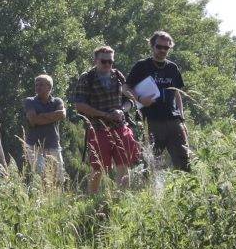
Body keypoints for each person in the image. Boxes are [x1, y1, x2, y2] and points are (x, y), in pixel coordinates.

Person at [71, 45, 142, 193]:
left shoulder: (118, 76)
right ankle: (92, 199)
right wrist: (104, 115)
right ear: (96, 61)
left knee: (124, 166)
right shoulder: (87, 78)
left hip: (120, 127)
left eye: (110, 62)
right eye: (104, 62)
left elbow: (130, 101)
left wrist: (122, 110)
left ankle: (121, 200)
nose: (108, 65)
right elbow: (79, 106)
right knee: (97, 170)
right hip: (98, 130)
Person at [127, 32, 191, 171]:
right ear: (152, 46)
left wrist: (182, 118)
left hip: (173, 121)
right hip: (151, 121)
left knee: (184, 161)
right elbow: (125, 88)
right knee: (150, 165)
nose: (162, 50)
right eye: (159, 46)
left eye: (166, 48)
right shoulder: (142, 66)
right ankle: (152, 191)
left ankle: (185, 191)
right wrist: (139, 99)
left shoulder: (172, 67)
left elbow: (177, 92)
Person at [22, 75, 67, 184]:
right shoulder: (30, 101)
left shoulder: (57, 101)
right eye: (36, 84)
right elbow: (33, 120)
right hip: (34, 146)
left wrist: (40, 116)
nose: (38, 87)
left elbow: (62, 115)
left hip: (53, 144)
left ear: (49, 87)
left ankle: (55, 199)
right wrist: (52, 116)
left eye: (41, 84)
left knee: (59, 178)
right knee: (41, 177)